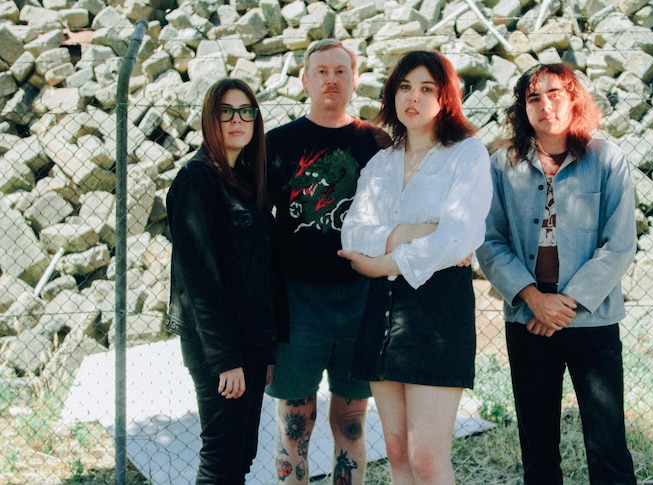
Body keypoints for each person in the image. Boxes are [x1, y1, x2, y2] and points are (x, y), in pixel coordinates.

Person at [475, 63, 638, 485]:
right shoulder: (501, 165)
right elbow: (490, 240)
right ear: (522, 108)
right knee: (538, 446)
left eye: (555, 94)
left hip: (591, 319)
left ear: (574, 100)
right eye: (533, 98)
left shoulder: (607, 159)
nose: (545, 105)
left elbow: (618, 244)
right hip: (527, 319)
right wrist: (534, 298)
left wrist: (566, 305)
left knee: (608, 445)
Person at [337, 50, 492, 485]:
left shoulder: (467, 155)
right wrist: (412, 232)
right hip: (382, 312)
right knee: (397, 451)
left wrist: (383, 261)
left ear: (445, 97)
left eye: (427, 88)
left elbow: (459, 237)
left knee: (426, 457)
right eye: (405, 86)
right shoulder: (381, 162)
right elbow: (352, 235)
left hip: (438, 311)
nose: (413, 97)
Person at [265, 39, 391, 485]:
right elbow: (257, 226)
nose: (331, 79)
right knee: (295, 425)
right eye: (322, 71)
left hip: (359, 297)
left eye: (341, 71)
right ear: (305, 80)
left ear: (355, 81)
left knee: (351, 424)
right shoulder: (277, 144)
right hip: (297, 303)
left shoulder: (376, 143)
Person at [166, 78, 277, 484]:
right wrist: (225, 358)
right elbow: (200, 283)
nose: (237, 120)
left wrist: (262, 352)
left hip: (248, 342)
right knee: (222, 456)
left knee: (242, 454)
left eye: (247, 111)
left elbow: (256, 274)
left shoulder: (245, 180)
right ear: (210, 119)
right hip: (218, 345)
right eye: (226, 111)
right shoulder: (198, 180)